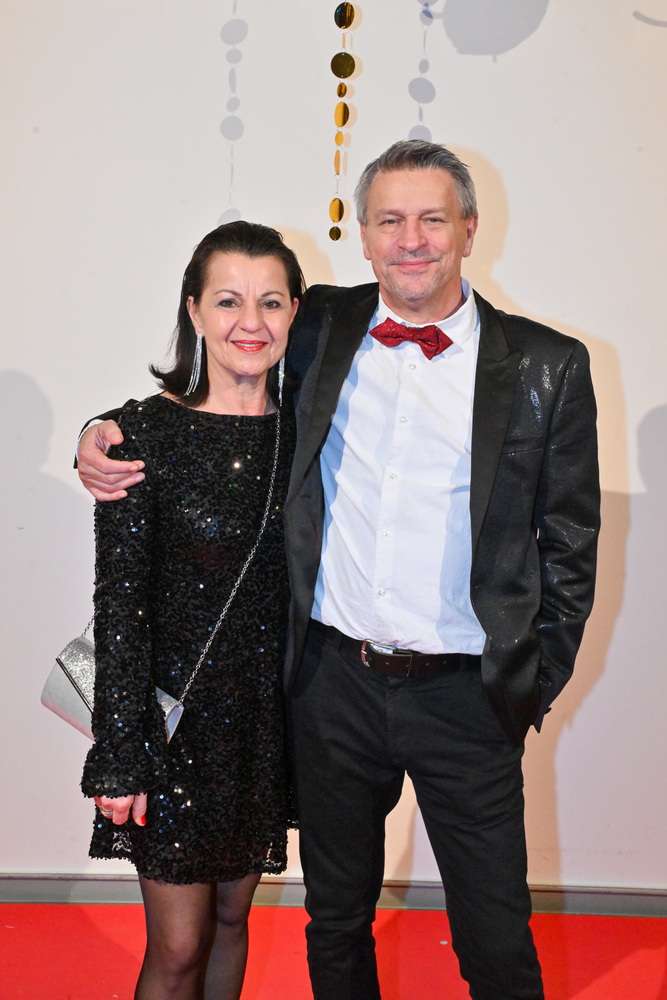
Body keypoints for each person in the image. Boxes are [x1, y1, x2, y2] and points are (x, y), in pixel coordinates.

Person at [78, 141, 600, 1000]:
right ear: (362, 236)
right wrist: (97, 433)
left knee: (495, 939)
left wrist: (526, 683)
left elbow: (569, 541)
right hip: (332, 689)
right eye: (389, 220)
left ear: (469, 230)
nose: (410, 240)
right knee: (335, 923)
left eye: (431, 219)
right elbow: (210, 380)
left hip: (465, 696)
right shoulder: (321, 325)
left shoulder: (548, 365)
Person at [80, 220, 303, 1000]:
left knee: (234, 923)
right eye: (229, 300)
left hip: (263, 728)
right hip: (169, 731)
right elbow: (120, 607)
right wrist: (119, 752)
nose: (251, 322)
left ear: (295, 312)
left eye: (271, 301)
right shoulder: (142, 436)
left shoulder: (309, 436)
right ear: (194, 310)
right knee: (177, 948)